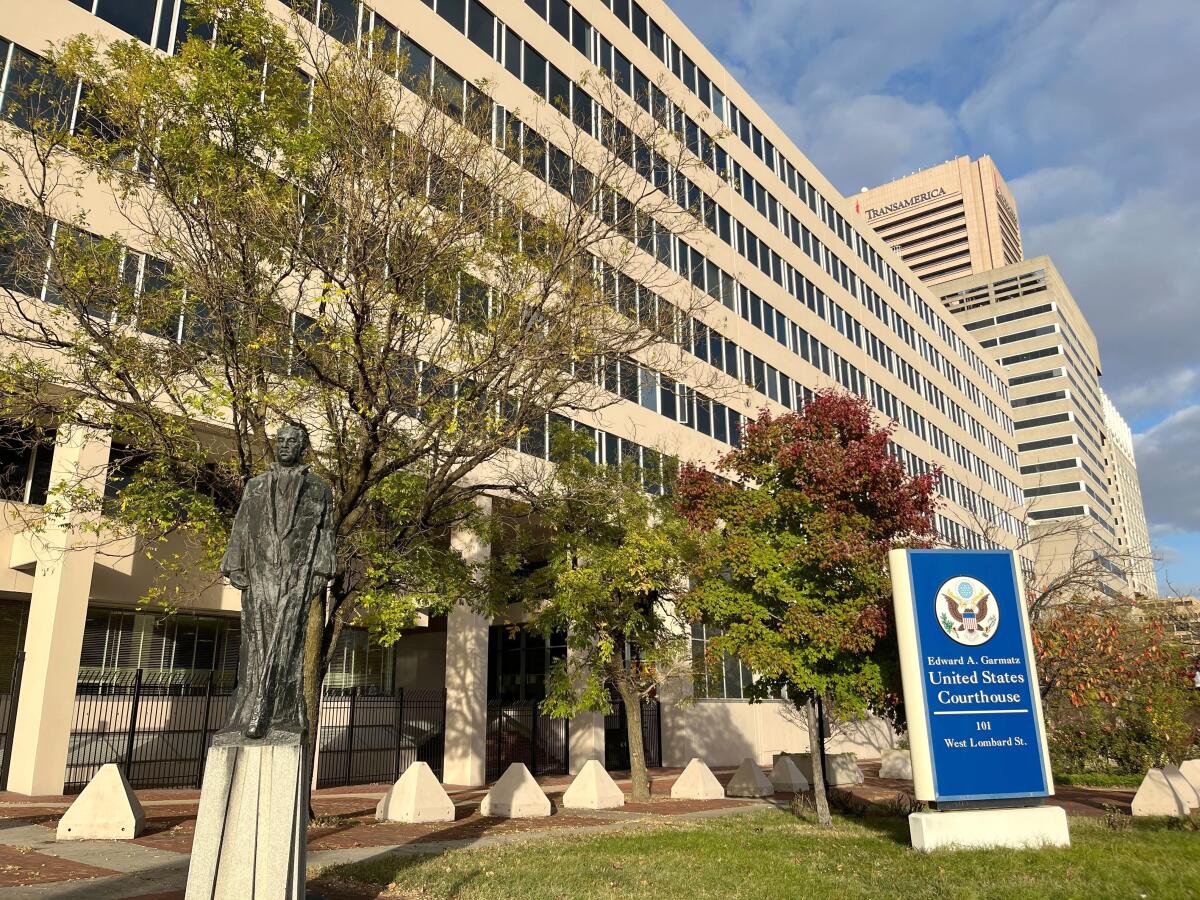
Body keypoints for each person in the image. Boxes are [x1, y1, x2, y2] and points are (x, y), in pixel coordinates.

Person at [220, 423, 335, 740]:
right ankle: (250, 711)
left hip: (297, 574)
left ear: (302, 447)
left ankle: (273, 712)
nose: (284, 445)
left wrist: (322, 572)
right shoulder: (256, 485)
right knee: (256, 642)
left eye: (291, 441)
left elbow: (326, 533)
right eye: (280, 440)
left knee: (287, 642)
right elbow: (242, 525)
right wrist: (234, 564)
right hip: (259, 572)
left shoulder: (319, 488)